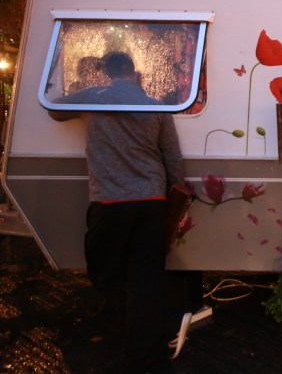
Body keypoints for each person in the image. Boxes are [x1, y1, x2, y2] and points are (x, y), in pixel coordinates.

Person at [49, 52, 187, 373]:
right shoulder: (155, 106)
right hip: (152, 200)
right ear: (134, 72)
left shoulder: (93, 98)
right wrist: (177, 195)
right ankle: (143, 355)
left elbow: (53, 109)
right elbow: (172, 157)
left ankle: (118, 322)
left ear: (106, 72)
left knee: (104, 269)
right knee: (146, 278)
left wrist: (82, 88)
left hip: (110, 202)